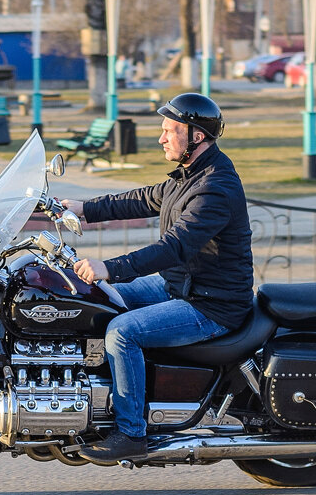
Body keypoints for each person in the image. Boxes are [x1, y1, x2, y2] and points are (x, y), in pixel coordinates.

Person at [62, 93, 254, 464]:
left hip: (210, 303)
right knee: (99, 298)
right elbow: (143, 198)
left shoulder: (215, 187)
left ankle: (131, 432)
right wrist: (84, 209)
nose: (161, 138)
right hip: (179, 286)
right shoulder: (191, 174)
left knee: (123, 331)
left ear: (196, 136)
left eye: (169, 130)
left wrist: (110, 266)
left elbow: (174, 248)